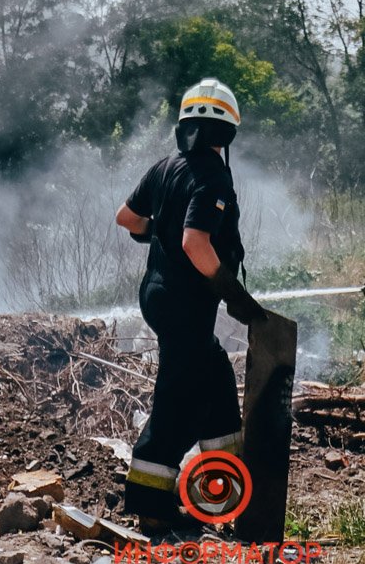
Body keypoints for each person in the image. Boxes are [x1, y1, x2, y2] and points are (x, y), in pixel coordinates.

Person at [114, 77, 268, 533]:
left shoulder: (166, 166)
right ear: (227, 134)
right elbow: (195, 242)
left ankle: (226, 491)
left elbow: (127, 218)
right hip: (184, 303)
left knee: (216, 376)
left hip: (157, 295)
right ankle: (151, 506)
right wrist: (233, 293)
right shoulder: (213, 175)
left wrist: (151, 230)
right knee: (177, 399)